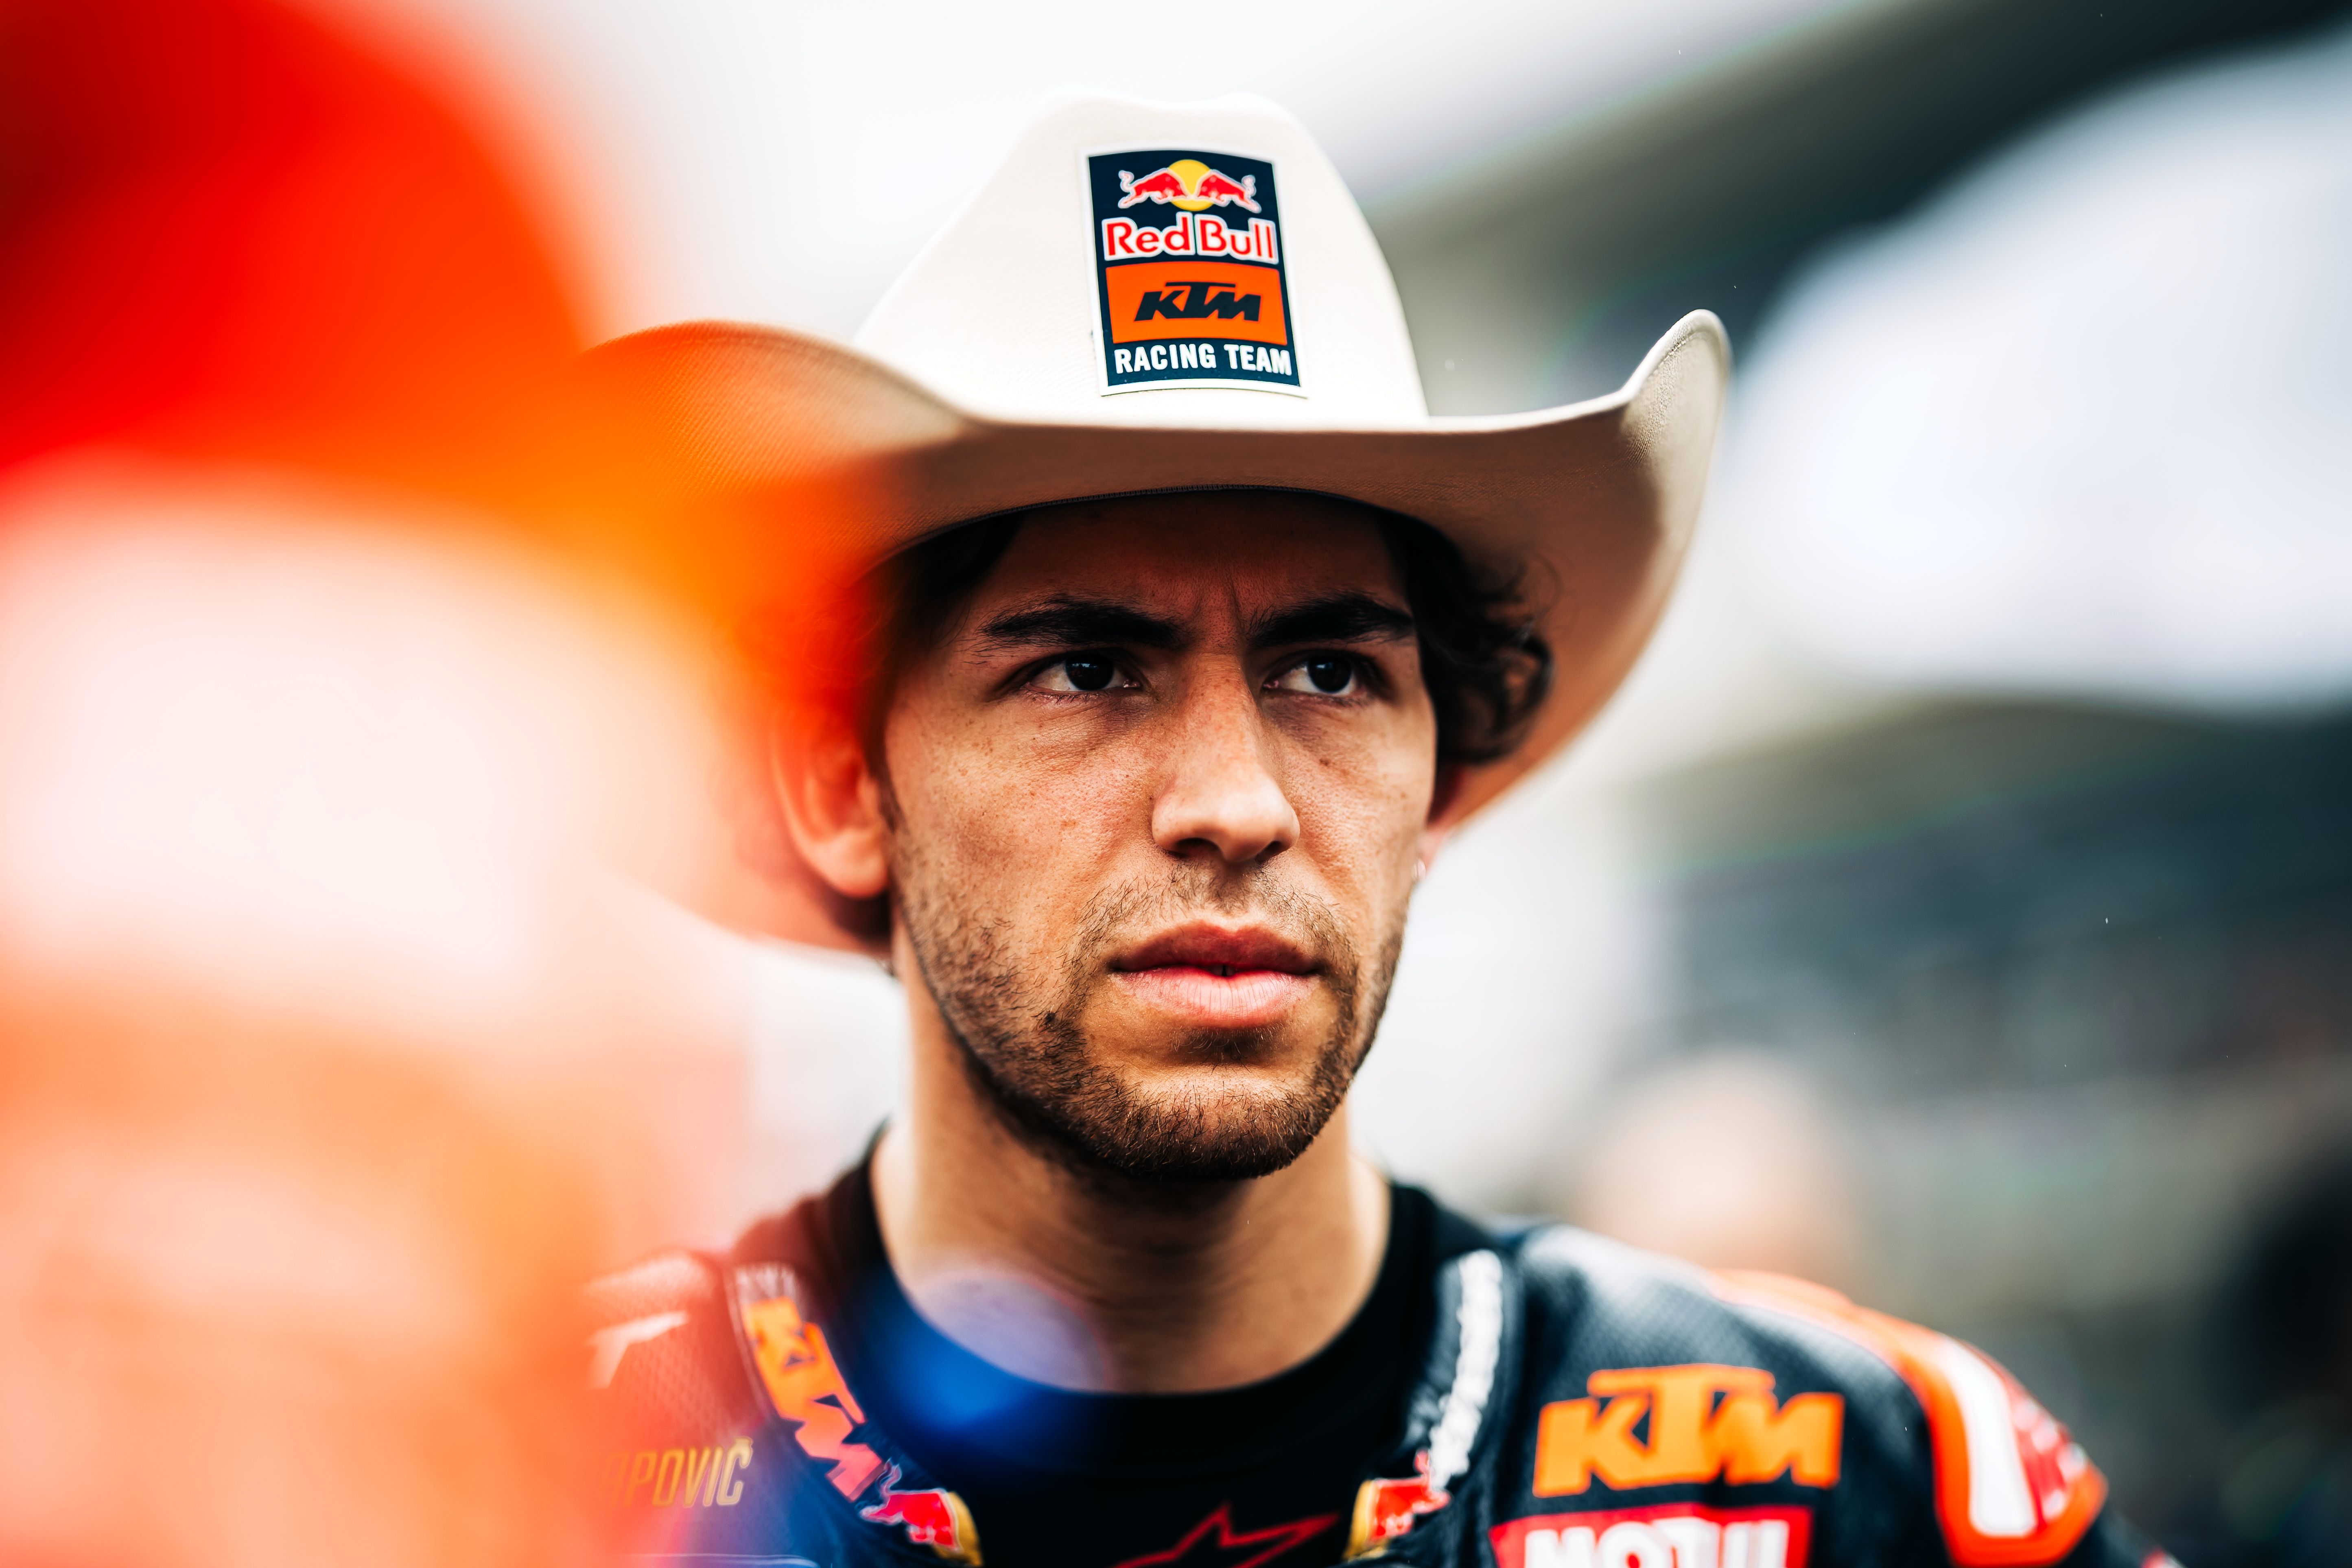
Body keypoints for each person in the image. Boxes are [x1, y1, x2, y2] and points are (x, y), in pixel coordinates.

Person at [581, 94, 2170, 1568]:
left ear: (1442, 786)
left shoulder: (1860, 1479)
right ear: (841, 787)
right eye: (1087, 670)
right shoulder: (531, 1477)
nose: (1237, 806)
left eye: (1331, 673)